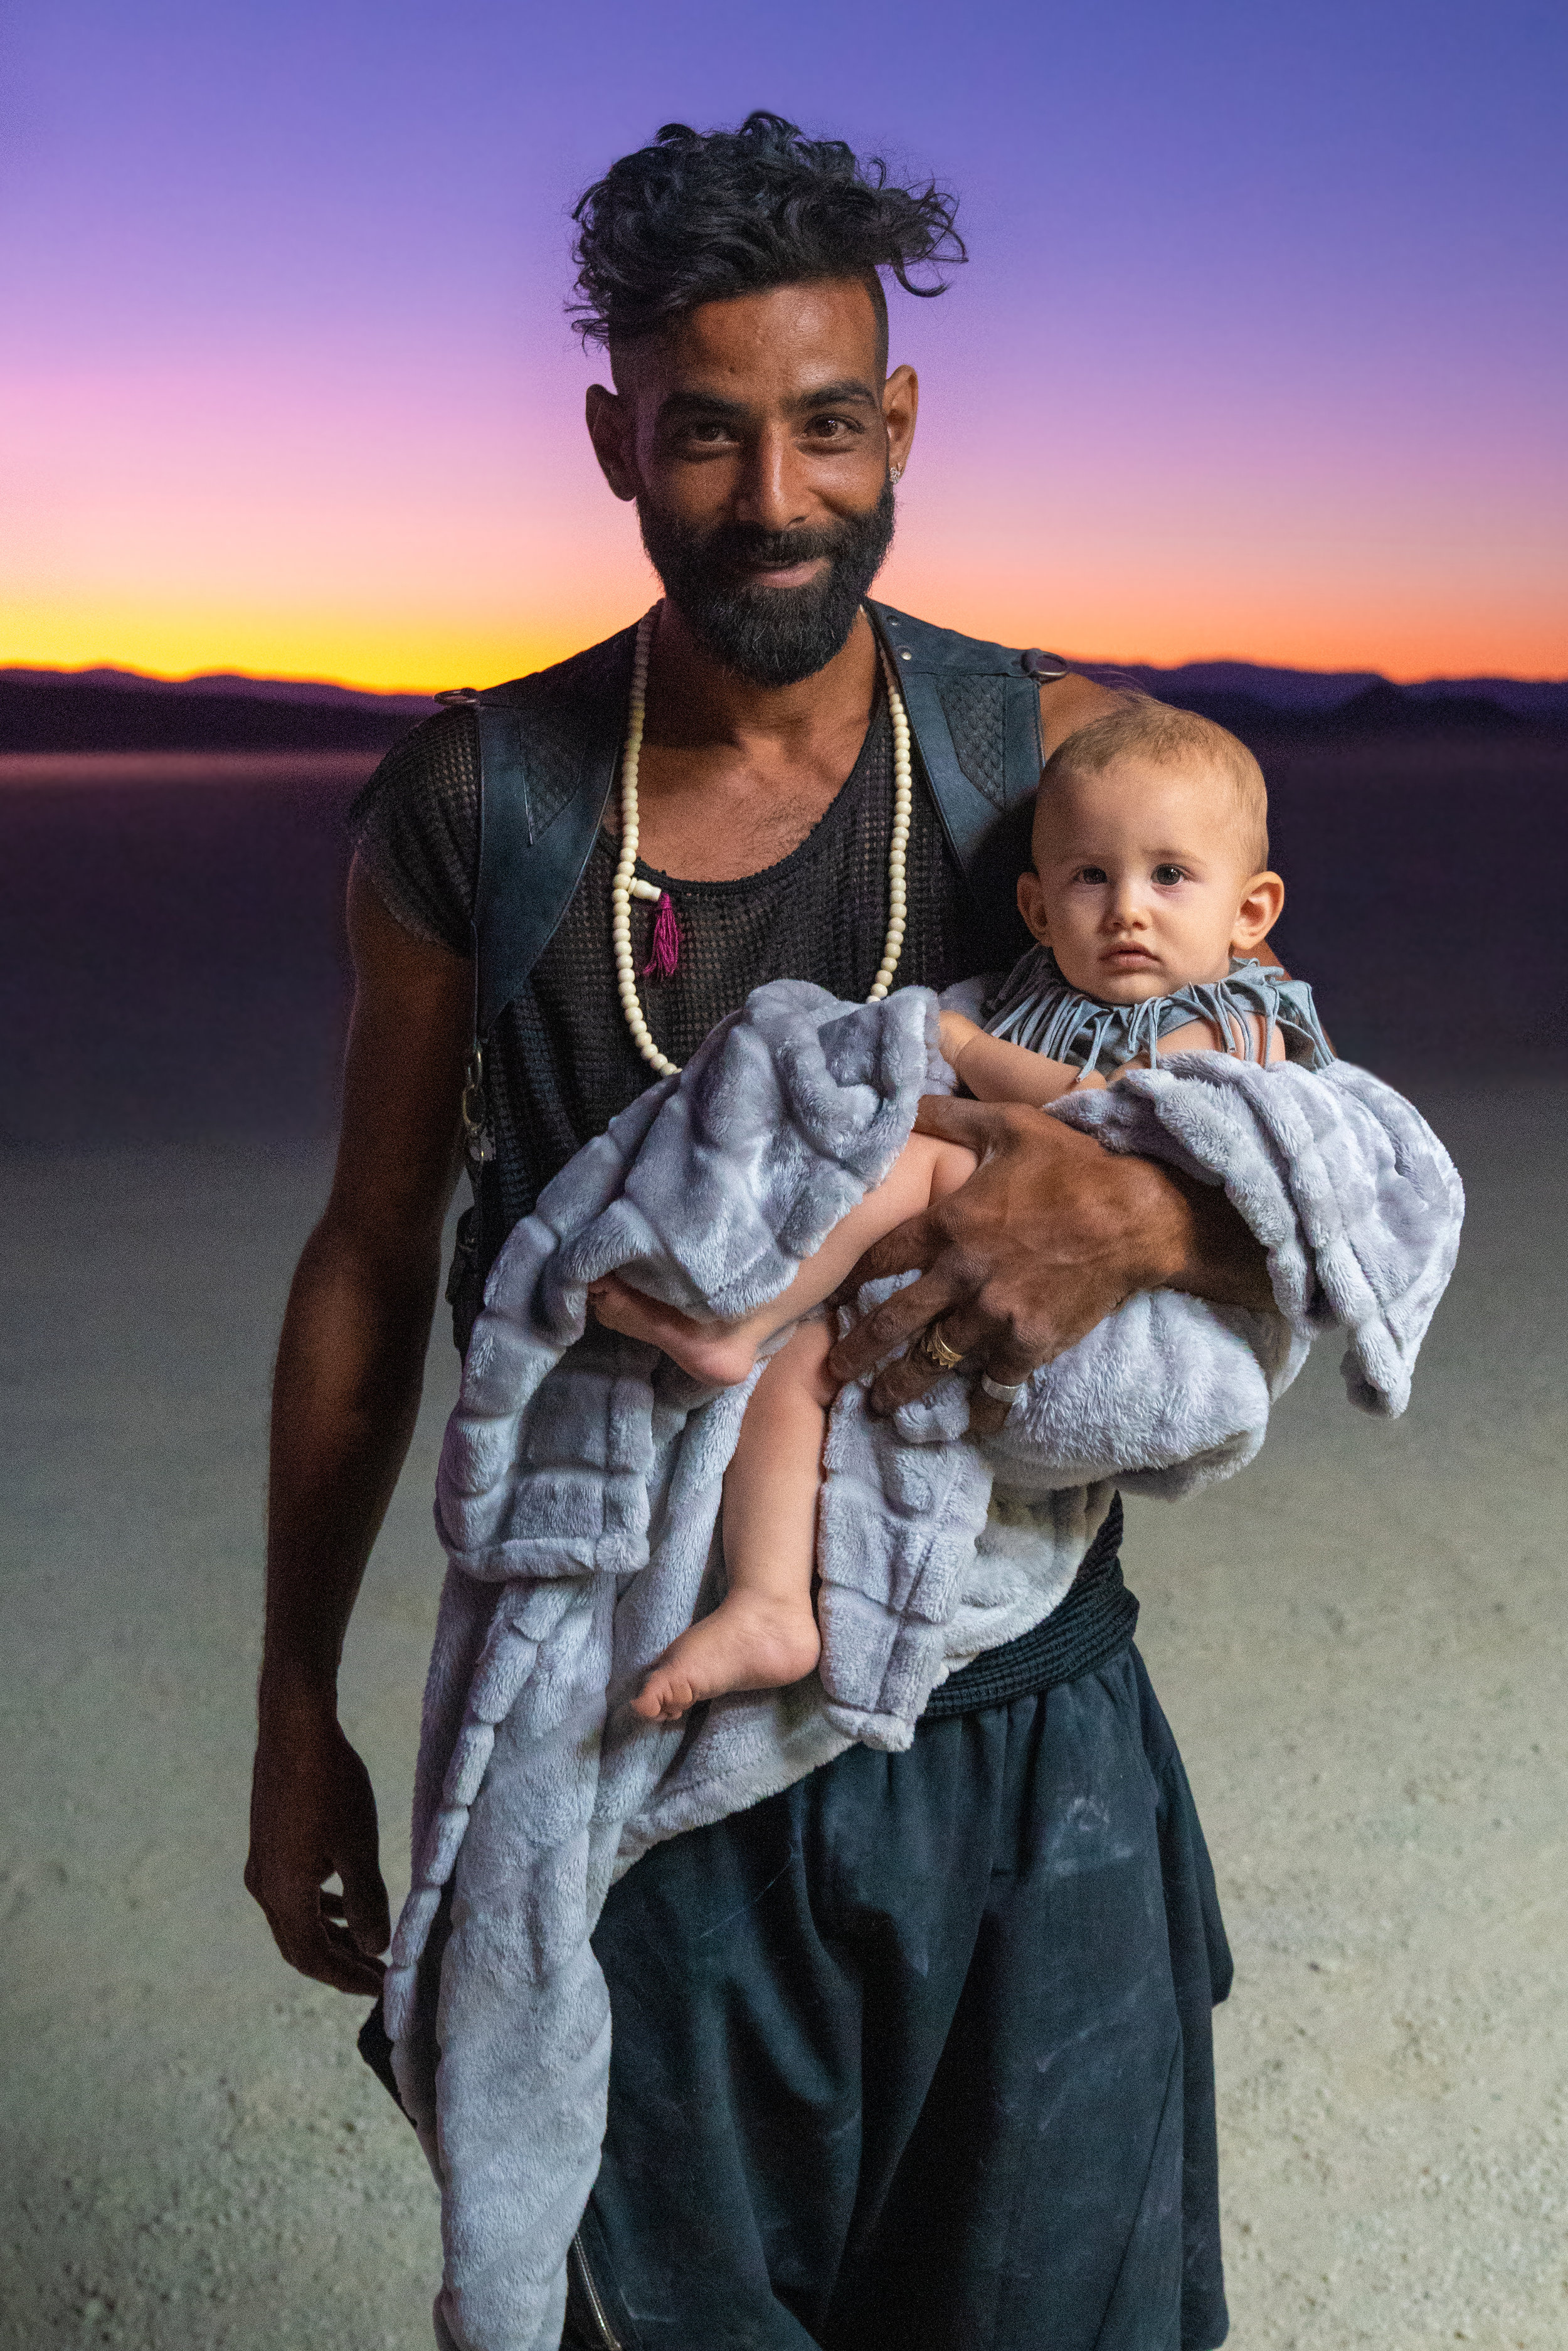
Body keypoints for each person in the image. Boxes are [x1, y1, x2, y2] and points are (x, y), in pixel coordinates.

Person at [243, 114, 1448, 2351]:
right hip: (639, 1737)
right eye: (707, 436)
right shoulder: (481, 804)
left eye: (825, 427)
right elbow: (363, 1249)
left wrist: (1141, 1203)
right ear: (618, 437)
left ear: (898, 424)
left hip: (1024, 1717)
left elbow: (1300, 1121)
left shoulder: (1052, 762)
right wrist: (293, 1701)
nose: (776, 498)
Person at [589, 696, 1330, 1727]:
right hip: (989, 1291)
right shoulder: (1041, 993)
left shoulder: (1232, 1021)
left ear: (1249, 915)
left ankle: (738, 1314)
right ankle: (771, 1603)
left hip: (1123, 1329)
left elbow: (1105, 1107)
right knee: (806, 1367)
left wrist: (967, 1054)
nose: (1127, 908)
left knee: (920, 1153)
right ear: (1035, 909)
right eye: (1090, 877)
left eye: (1169, 877)